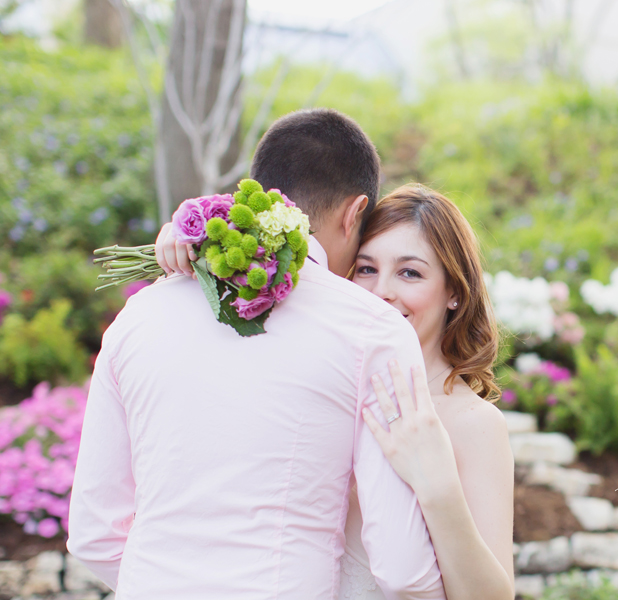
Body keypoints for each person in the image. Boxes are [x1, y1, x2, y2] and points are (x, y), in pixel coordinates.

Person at [67, 109, 446, 600]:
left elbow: (94, 536)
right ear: (356, 213)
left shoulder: (137, 319)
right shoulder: (374, 331)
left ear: (255, 192)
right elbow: (401, 568)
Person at [156, 184, 516, 600]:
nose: (382, 291)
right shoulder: (316, 387)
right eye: (365, 269)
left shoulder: (473, 424)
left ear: (453, 292)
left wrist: (437, 486)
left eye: (410, 272)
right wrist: (185, 243)